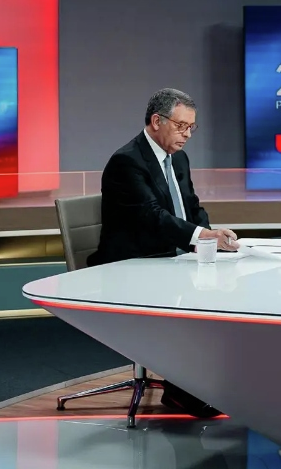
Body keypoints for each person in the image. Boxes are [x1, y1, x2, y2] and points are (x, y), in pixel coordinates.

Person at [89, 87, 238, 416]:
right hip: (132, 263)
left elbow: (192, 208)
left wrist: (211, 241)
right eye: (181, 126)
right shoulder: (127, 162)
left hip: (171, 257)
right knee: (191, 304)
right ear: (157, 121)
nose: (187, 135)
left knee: (225, 292)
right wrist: (202, 237)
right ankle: (182, 391)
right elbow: (152, 217)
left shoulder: (178, 158)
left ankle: (207, 383)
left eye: (191, 127)